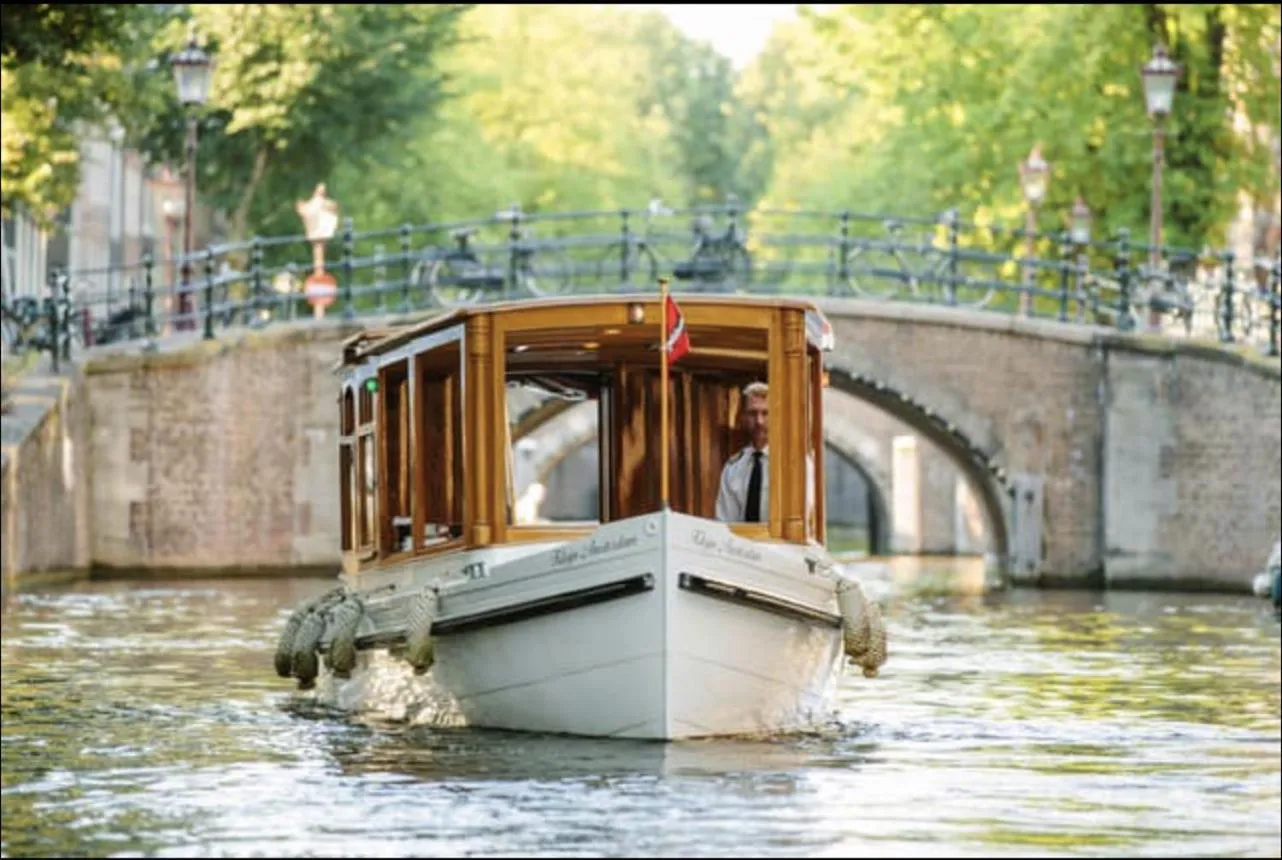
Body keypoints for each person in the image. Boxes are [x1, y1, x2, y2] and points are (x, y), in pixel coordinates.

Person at [715, 381, 814, 524]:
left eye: (766, 413)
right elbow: (725, 522)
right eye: (752, 413)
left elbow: (800, 520)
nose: (759, 421)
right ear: (743, 417)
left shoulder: (795, 463)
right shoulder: (733, 468)